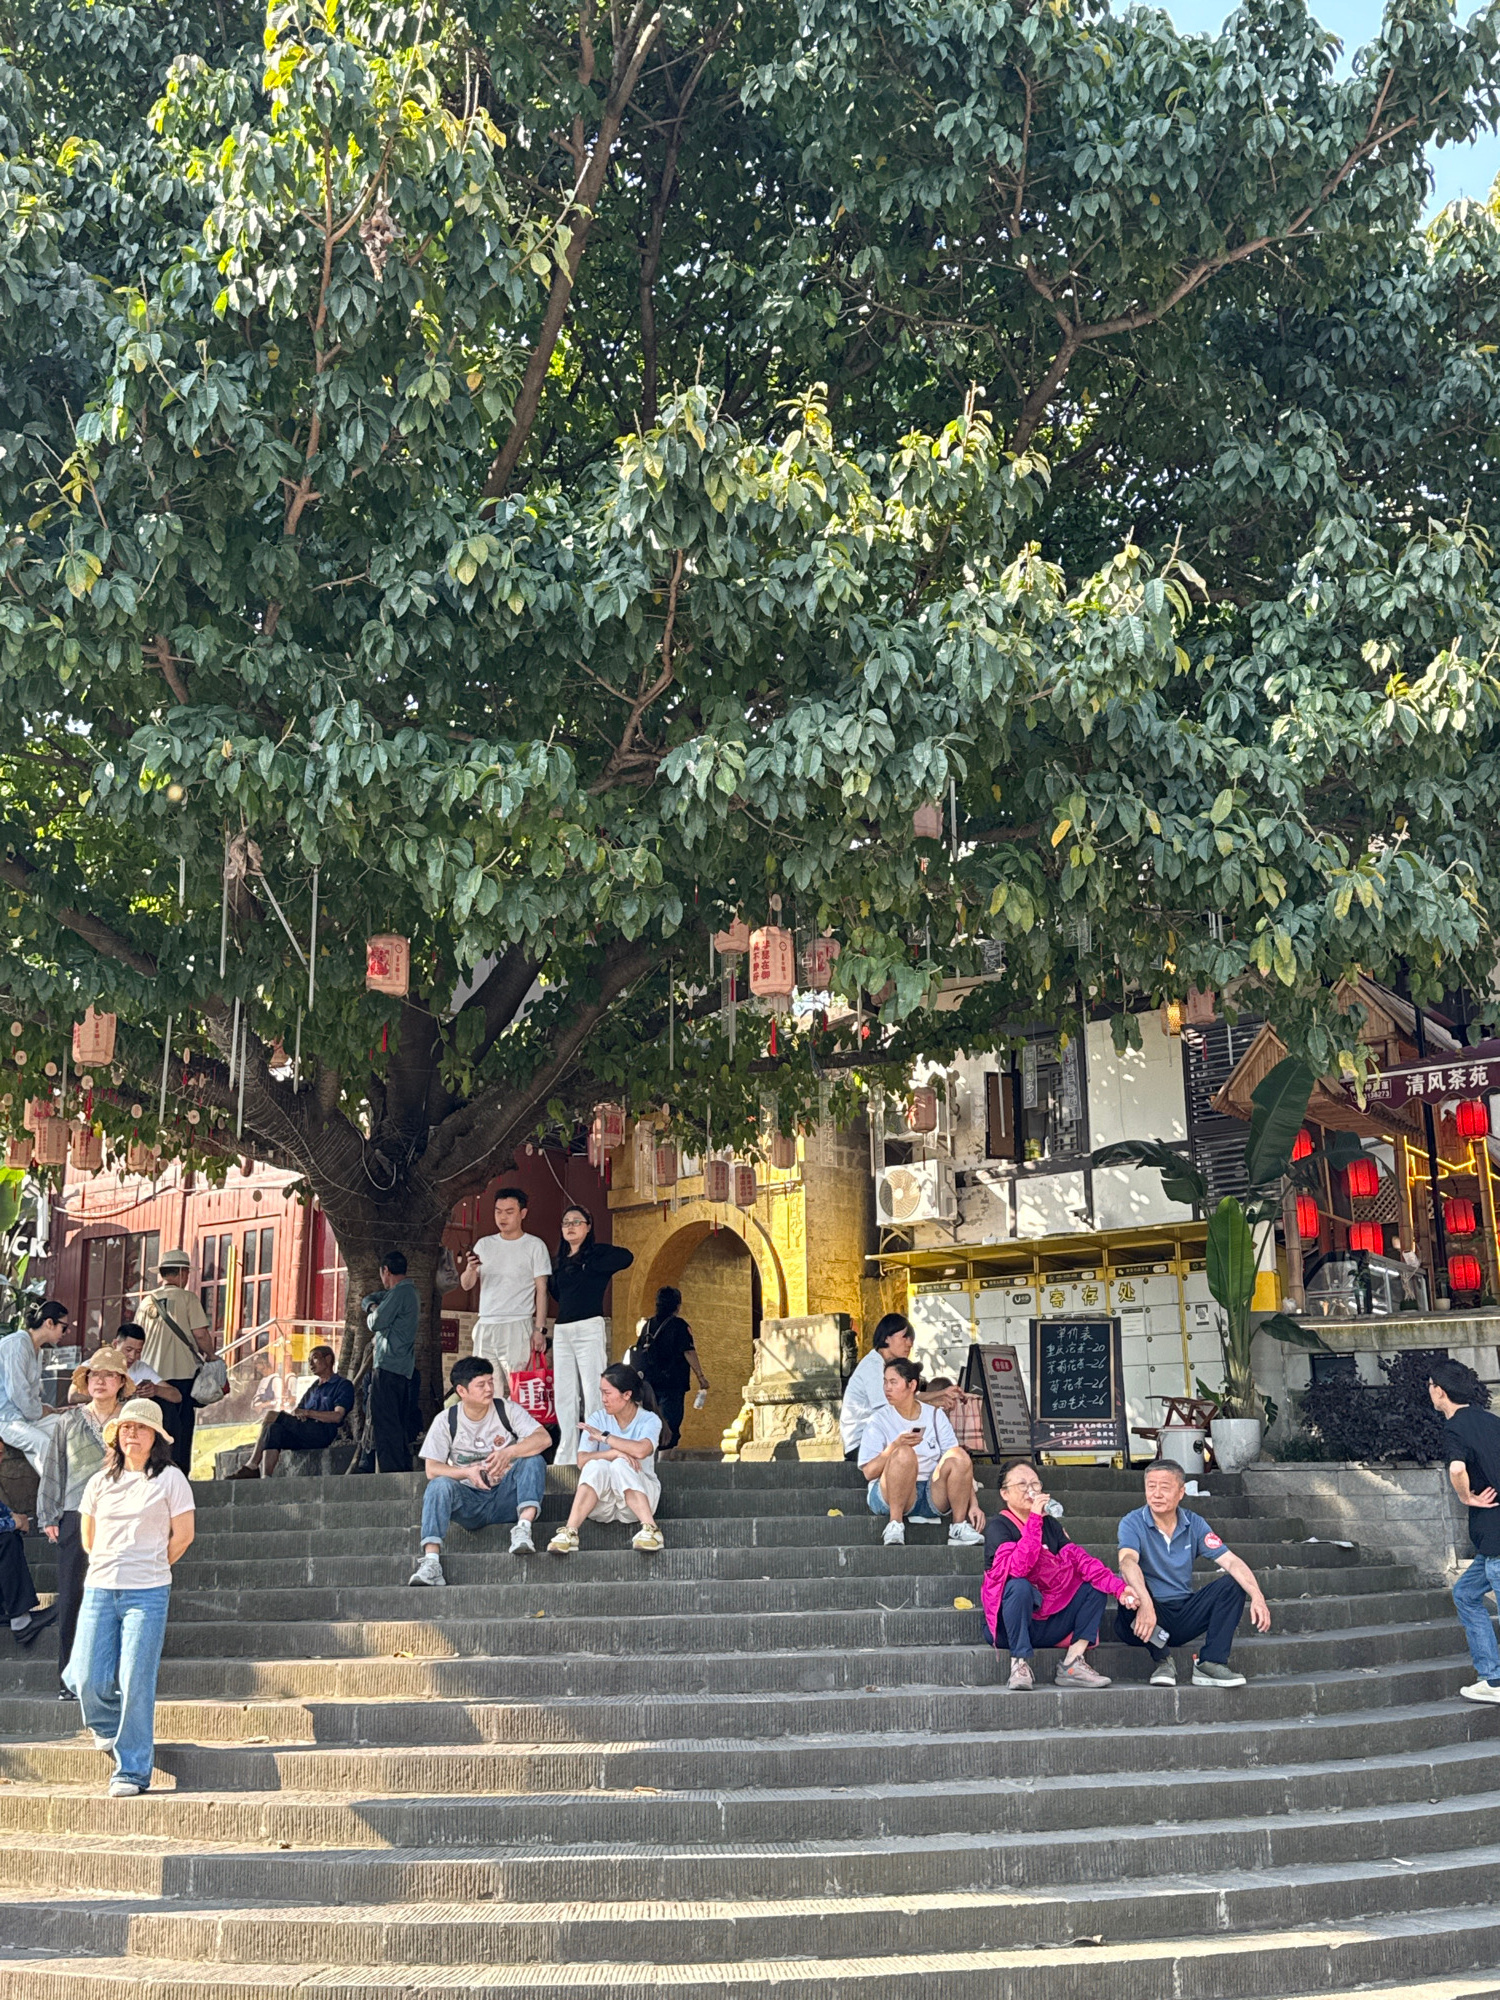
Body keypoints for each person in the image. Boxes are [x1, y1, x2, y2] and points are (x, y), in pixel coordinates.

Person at [65, 1396, 196, 1796]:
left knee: (135, 1679)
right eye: (126, 1427)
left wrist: (152, 1565)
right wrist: (111, 1567)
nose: (132, 1434)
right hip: (100, 1589)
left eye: (140, 1428)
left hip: (148, 1593)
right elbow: (88, 1537)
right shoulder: (99, 1482)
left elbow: (183, 1535)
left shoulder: (170, 1478)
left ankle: (133, 1771)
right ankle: (107, 1725)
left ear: (155, 1436)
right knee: (85, 1677)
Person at [982, 1459, 1141, 1689]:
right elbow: (1018, 1569)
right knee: (1019, 1586)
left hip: (1049, 1621)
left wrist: (1119, 1588)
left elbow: (1081, 1561)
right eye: (1022, 1484)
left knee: (1093, 1587)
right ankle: (1019, 1664)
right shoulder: (998, 1527)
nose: (1030, 1490)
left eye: (1035, 1484)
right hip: (1009, 1627)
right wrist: (1034, 1520)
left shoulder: (1051, 1525)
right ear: (1004, 1493)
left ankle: (1073, 1663)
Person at [1115, 1459, 1271, 1686]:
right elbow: (1127, 1561)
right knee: (1131, 1584)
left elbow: (1231, 1561)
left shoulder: (1194, 1524)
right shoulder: (1132, 1522)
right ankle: (1163, 1661)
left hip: (1182, 1614)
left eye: (1164, 1488)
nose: (1156, 1494)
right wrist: (1146, 1604)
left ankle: (1211, 1663)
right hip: (1140, 1618)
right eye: (1151, 1487)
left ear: (1181, 1492)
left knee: (1233, 1584)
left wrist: (1257, 1595)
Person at [38, 1344, 132, 1696]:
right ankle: (69, 1679)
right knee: (72, 1596)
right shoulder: (68, 1421)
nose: (100, 1381)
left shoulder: (132, 1420)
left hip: (124, 1515)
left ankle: (110, 1678)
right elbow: (54, 1469)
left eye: (109, 1375)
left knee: (118, 1596)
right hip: (75, 1513)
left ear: (121, 1381)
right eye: (94, 1375)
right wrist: (49, 1514)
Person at [409, 1356, 549, 1583]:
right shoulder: (446, 1420)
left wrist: (509, 1452)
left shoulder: (506, 1409)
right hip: (470, 1501)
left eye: (490, 1382)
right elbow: (431, 1469)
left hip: (507, 1497)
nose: (489, 1389)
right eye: (481, 1385)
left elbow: (543, 1438)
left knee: (533, 1460)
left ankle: (523, 1529)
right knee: (438, 1485)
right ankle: (431, 1563)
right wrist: (467, 1472)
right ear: (461, 1391)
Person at [1428, 1358, 1500, 1704]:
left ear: (1440, 1392)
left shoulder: (1454, 1428)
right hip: (1491, 1544)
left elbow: (1457, 1468)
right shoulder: (1492, 1421)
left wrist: (1466, 1497)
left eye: (1430, 1386)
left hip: (1496, 1538)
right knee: (1466, 1594)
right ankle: (1492, 1678)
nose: (1430, 1391)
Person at [859, 1355, 985, 1548]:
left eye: (893, 1382)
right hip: (891, 1494)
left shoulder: (935, 1415)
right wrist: (894, 1447)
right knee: (904, 1453)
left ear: (911, 1385)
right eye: (885, 1382)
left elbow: (959, 1463)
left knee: (959, 1454)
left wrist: (973, 1504)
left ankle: (958, 1526)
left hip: (932, 1492)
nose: (887, 1388)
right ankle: (895, 1524)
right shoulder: (878, 1420)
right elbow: (868, 1472)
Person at [547, 1205, 633, 1466]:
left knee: (593, 1389)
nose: (570, 1227)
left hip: (589, 1326)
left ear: (588, 1226)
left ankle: (594, 1445)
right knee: (564, 1392)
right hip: (563, 1329)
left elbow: (626, 1257)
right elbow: (556, 1292)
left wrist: (592, 1263)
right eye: (566, 1222)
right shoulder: (559, 1261)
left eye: (577, 1222)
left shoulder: (597, 1254)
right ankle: (567, 1450)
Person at [548, 1363, 664, 1555]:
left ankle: (651, 1530)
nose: (603, 1399)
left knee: (620, 1465)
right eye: (601, 1393)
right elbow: (582, 1460)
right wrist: (612, 1453)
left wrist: (606, 1438)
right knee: (596, 1465)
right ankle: (570, 1532)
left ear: (627, 1395)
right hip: (602, 1504)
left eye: (607, 1393)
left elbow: (641, 1450)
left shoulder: (649, 1420)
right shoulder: (597, 1419)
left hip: (637, 1503)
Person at [135, 1249, 214, 1473]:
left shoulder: (146, 1302)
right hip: (182, 1374)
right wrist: (211, 1355)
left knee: (154, 1429)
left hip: (150, 1377)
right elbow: (200, 1335)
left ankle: (151, 1472)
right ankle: (177, 1476)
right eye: (186, 1272)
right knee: (180, 1432)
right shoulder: (188, 1298)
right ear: (181, 1272)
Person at [839, 1314, 959, 1461]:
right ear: (886, 1338)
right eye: (904, 1337)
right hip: (861, 1444)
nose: (909, 1344)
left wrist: (941, 1394)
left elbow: (905, 1397)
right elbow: (892, 1406)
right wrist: (934, 1403)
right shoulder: (872, 1366)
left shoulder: (885, 1365)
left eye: (911, 1339)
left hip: (880, 1437)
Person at [459, 1187, 551, 1379]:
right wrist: (470, 1268)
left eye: (509, 1212)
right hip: (486, 1321)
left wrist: (539, 1329)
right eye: (498, 1211)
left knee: (519, 1383)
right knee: (485, 1383)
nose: (503, 1217)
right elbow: (466, 1285)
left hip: (517, 1322)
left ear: (522, 1213)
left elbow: (542, 1290)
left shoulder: (535, 1245)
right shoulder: (484, 1244)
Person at [228, 1345, 355, 1479]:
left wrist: (309, 1413)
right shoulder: (314, 1387)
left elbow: (337, 1416)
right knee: (273, 1429)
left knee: (272, 1415)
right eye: (309, 1360)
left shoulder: (342, 1385)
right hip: (304, 1430)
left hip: (322, 1433)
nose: (311, 1364)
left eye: (315, 1358)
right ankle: (266, 1477)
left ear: (328, 1359)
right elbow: (298, 1410)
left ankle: (252, 1465)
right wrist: (299, 1413)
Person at [359, 1254, 419, 1473]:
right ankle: (400, 1467)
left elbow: (376, 1322)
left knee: (385, 1423)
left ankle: (391, 1473)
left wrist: (374, 1310)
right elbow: (371, 1297)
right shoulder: (407, 1292)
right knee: (397, 1421)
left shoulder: (400, 1292)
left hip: (388, 1366)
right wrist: (372, 1303)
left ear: (386, 1270)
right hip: (403, 1368)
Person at [634, 1285, 710, 1452]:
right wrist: (701, 1376)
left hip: (649, 1384)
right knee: (670, 1423)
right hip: (672, 1383)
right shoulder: (679, 1325)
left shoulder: (647, 1326)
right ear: (677, 1305)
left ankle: (650, 1456)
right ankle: (664, 1459)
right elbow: (688, 1351)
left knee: (650, 1421)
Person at [0, 1299, 71, 1472]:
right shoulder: (16, 1344)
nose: (66, 1332)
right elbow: (17, 1392)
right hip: (6, 1419)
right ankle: (53, 1489)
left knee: (66, 1426)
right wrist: (40, 1411)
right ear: (49, 1323)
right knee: (43, 1443)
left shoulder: (36, 1349)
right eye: (64, 1327)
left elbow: (30, 1393)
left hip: (25, 1416)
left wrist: (43, 1409)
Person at [112, 1325, 183, 1410]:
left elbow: (177, 1396)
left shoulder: (140, 1368)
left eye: (138, 1351)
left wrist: (156, 1390)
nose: (132, 1356)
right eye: (128, 1350)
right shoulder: (100, 1364)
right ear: (115, 1344)